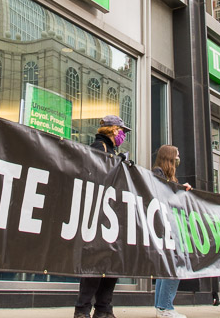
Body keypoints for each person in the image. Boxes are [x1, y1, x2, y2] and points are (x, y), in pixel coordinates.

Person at [74, 115, 131, 318]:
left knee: (111, 264)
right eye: (122, 130)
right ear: (113, 130)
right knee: (95, 265)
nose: (123, 135)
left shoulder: (113, 151)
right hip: (98, 215)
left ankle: (104, 308)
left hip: (112, 215)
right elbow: (96, 174)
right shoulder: (98, 148)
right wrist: (116, 163)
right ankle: (82, 309)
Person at [150, 145, 191, 318]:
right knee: (174, 264)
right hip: (167, 226)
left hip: (169, 225)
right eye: (177, 155)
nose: (178, 159)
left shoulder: (166, 176)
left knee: (168, 267)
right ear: (169, 157)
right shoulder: (158, 174)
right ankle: (165, 306)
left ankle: (162, 306)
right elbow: (163, 195)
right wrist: (180, 189)